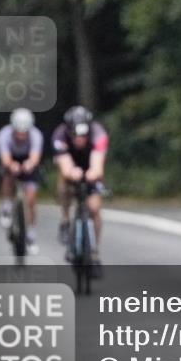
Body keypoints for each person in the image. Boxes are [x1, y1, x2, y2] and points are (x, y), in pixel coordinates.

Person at [52, 105, 108, 270]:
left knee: (95, 208)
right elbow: (64, 165)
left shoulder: (99, 134)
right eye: (75, 134)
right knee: (64, 182)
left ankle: (94, 252)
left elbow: (97, 166)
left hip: (90, 165)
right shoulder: (59, 135)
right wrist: (71, 172)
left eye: (83, 135)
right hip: (71, 165)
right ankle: (65, 219)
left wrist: (93, 173)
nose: (79, 139)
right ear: (68, 131)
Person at [0, 108, 44, 255]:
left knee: (31, 199)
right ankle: (7, 206)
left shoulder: (36, 135)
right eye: (18, 132)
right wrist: (11, 165)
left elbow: (35, 156)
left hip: (29, 161)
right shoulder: (3, 135)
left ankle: (30, 234)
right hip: (11, 160)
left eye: (25, 133)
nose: (22, 136)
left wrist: (30, 164)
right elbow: (5, 158)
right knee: (7, 175)